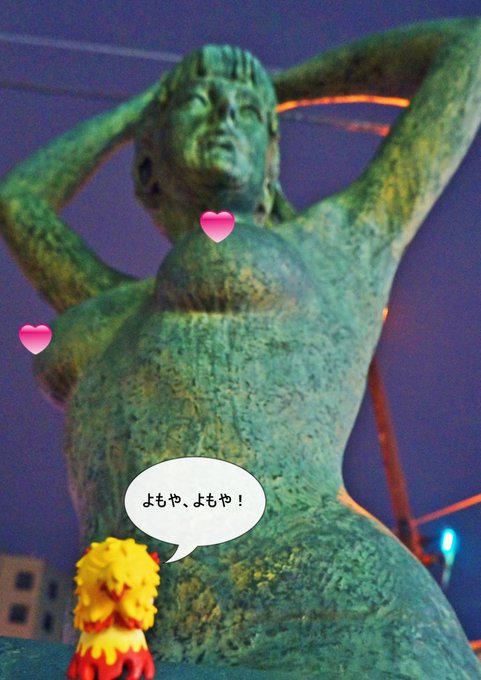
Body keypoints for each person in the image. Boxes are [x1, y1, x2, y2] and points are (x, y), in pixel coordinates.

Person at [1, 20, 480, 679]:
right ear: (147, 159)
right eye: (201, 102)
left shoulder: (342, 240)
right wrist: (144, 108)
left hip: (326, 612)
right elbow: (18, 201)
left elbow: (467, 51)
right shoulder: (111, 305)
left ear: (272, 160)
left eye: (248, 111)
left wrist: (278, 88)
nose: (227, 113)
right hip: (136, 633)